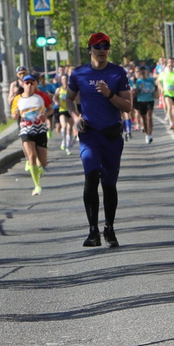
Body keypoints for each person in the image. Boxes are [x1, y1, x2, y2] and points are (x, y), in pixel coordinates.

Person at [69, 32, 133, 247]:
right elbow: (68, 99)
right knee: (91, 177)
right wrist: (75, 117)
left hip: (111, 135)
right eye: (98, 46)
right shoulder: (78, 74)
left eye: (106, 46)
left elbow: (128, 106)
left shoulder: (117, 73)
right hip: (89, 134)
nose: (102, 50)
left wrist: (109, 95)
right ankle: (93, 231)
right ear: (90, 50)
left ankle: (109, 228)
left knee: (109, 184)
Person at [11, 72, 50, 193]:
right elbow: (13, 115)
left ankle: (38, 169)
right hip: (26, 129)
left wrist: (45, 116)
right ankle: (37, 186)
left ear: (35, 85)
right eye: (27, 83)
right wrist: (15, 114)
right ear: (23, 84)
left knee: (43, 162)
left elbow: (50, 109)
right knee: (32, 156)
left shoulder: (41, 96)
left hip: (40, 129)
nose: (29, 85)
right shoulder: (17, 99)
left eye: (31, 83)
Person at [131, 62, 159, 142]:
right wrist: (138, 88)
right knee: (144, 119)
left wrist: (155, 92)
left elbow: (155, 88)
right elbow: (134, 92)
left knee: (149, 117)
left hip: (150, 100)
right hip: (141, 101)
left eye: (144, 72)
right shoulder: (138, 81)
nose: (143, 74)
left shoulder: (150, 80)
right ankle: (147, 134)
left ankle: (150, 133)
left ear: (146, 72)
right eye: (141, 72)